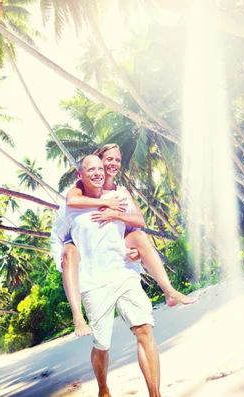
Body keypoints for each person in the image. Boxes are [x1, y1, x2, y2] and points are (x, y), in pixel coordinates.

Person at [51, 154, 162, 397]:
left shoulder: (118, 198)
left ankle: (155, 394)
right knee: (102, 344)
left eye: (100, 168)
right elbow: (56, 238)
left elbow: (133, 228)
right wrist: (65, 261)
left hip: (124, 274)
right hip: (93, 283)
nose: (98, 173)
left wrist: (134, 253)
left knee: (144, 330)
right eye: (91, 170)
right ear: (80, 176)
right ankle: (103, 389)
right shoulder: (70, 207)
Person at [59, 144, 195, 337]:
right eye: (109, 159)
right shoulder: (80, 188)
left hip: (115, 241)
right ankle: (78, 317)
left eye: (117, 160)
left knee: (139, 236)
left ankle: (169, 291)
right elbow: (71, 201)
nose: (113, 164)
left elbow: (139, 221)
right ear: (98, 161)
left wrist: (116, 214)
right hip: (86, 244)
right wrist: (105, 202)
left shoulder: (121, 191)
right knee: (70, 253)